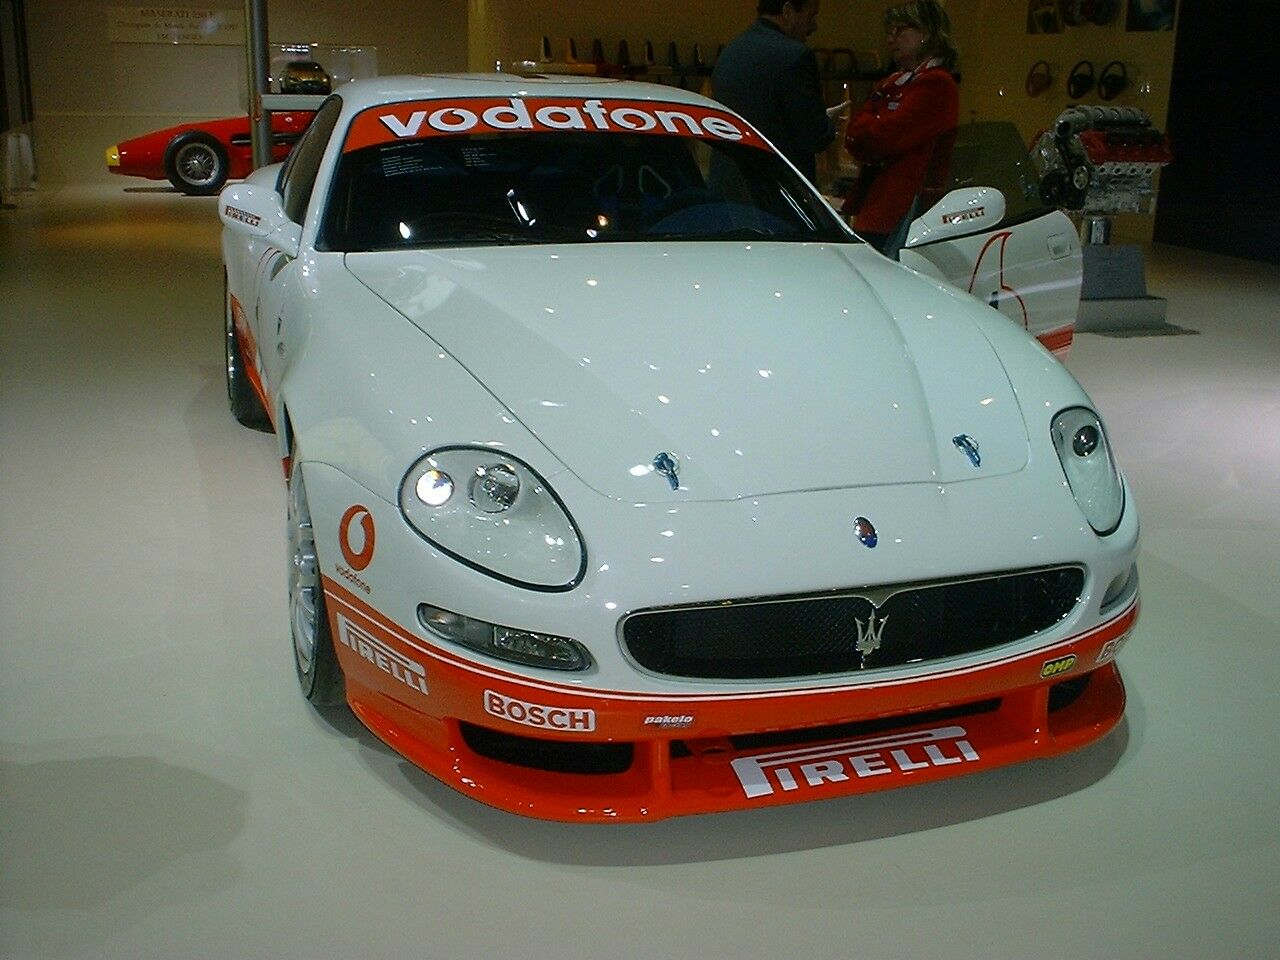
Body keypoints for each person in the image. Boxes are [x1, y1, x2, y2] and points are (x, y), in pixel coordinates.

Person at [842, 0, 959, 252]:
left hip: (904, 211)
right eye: (889, 32)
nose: (891, 39)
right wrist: (871, 134)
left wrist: (872, 132)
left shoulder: (937, 84)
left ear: (927, 32)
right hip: (876, 207)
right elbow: (854, 133)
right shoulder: (892, 82)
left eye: (900, 30)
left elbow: (884, 137)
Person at [712, 0, 849, 183]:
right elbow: (814, 137)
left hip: (729, 184)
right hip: (775, 189)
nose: (814, 26)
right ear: (787, 11)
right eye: (811, 16)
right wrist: (826, 124)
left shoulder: (731, 51)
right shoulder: (795, 56)